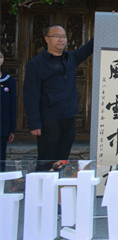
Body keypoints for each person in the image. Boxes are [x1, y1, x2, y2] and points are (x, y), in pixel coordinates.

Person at [23, 25, 93, 171]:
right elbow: (31, 94)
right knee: (47, 159)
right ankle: (42, 183)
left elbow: (89, 47)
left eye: (64, 36)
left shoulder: (70, 58)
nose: (61, 39)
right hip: (49, 119)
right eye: (56, 36)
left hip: (69, 117)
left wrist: (107, 22)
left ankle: (57, 183)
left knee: (62, 160)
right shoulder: (36, 63)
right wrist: (34, 123)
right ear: (47, 39)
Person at [0, 50, 16, 171]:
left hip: (3, 126)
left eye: (0, 57)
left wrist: (12, 129)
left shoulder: (9, 80)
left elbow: (12, 105)